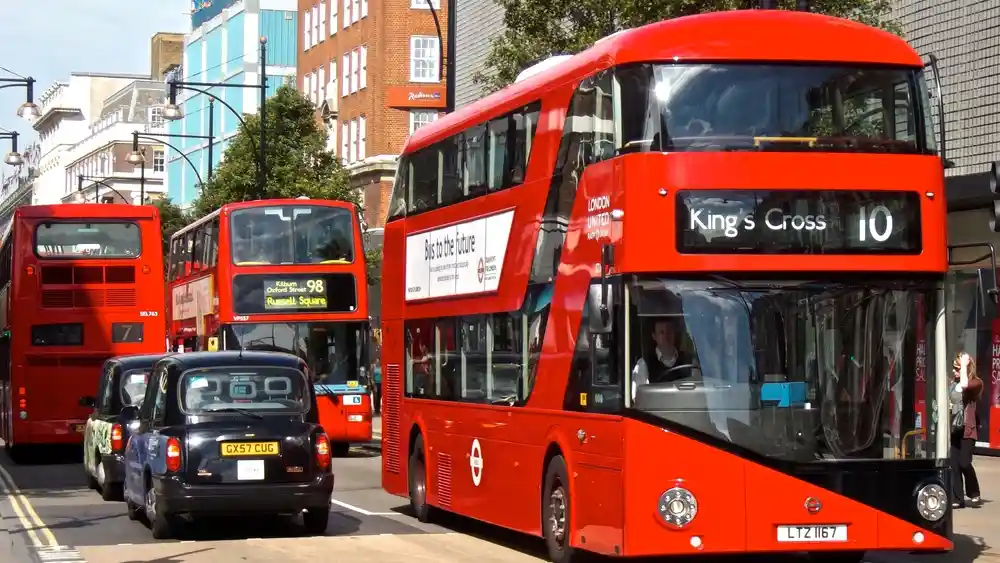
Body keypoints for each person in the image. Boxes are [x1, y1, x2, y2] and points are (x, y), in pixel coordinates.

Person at [632, 316, 699, 401]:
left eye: (670, 331)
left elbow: (698, 395)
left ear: (675, 334)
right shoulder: (643, 364)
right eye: (662, 332)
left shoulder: (691, 362)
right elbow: (637, 399)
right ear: (654, 336)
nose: (666, 336)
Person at [950, 352, 983, 508]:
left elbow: (964, 385)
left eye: (956, 368)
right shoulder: (951, 384)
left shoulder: (976, 383)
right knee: (954, 465)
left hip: (967, 430)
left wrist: (963, 365)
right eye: (954, 368)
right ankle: (958, 498)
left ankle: (974, 492)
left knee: (964, 463)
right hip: (953, 429)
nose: (954, 371)